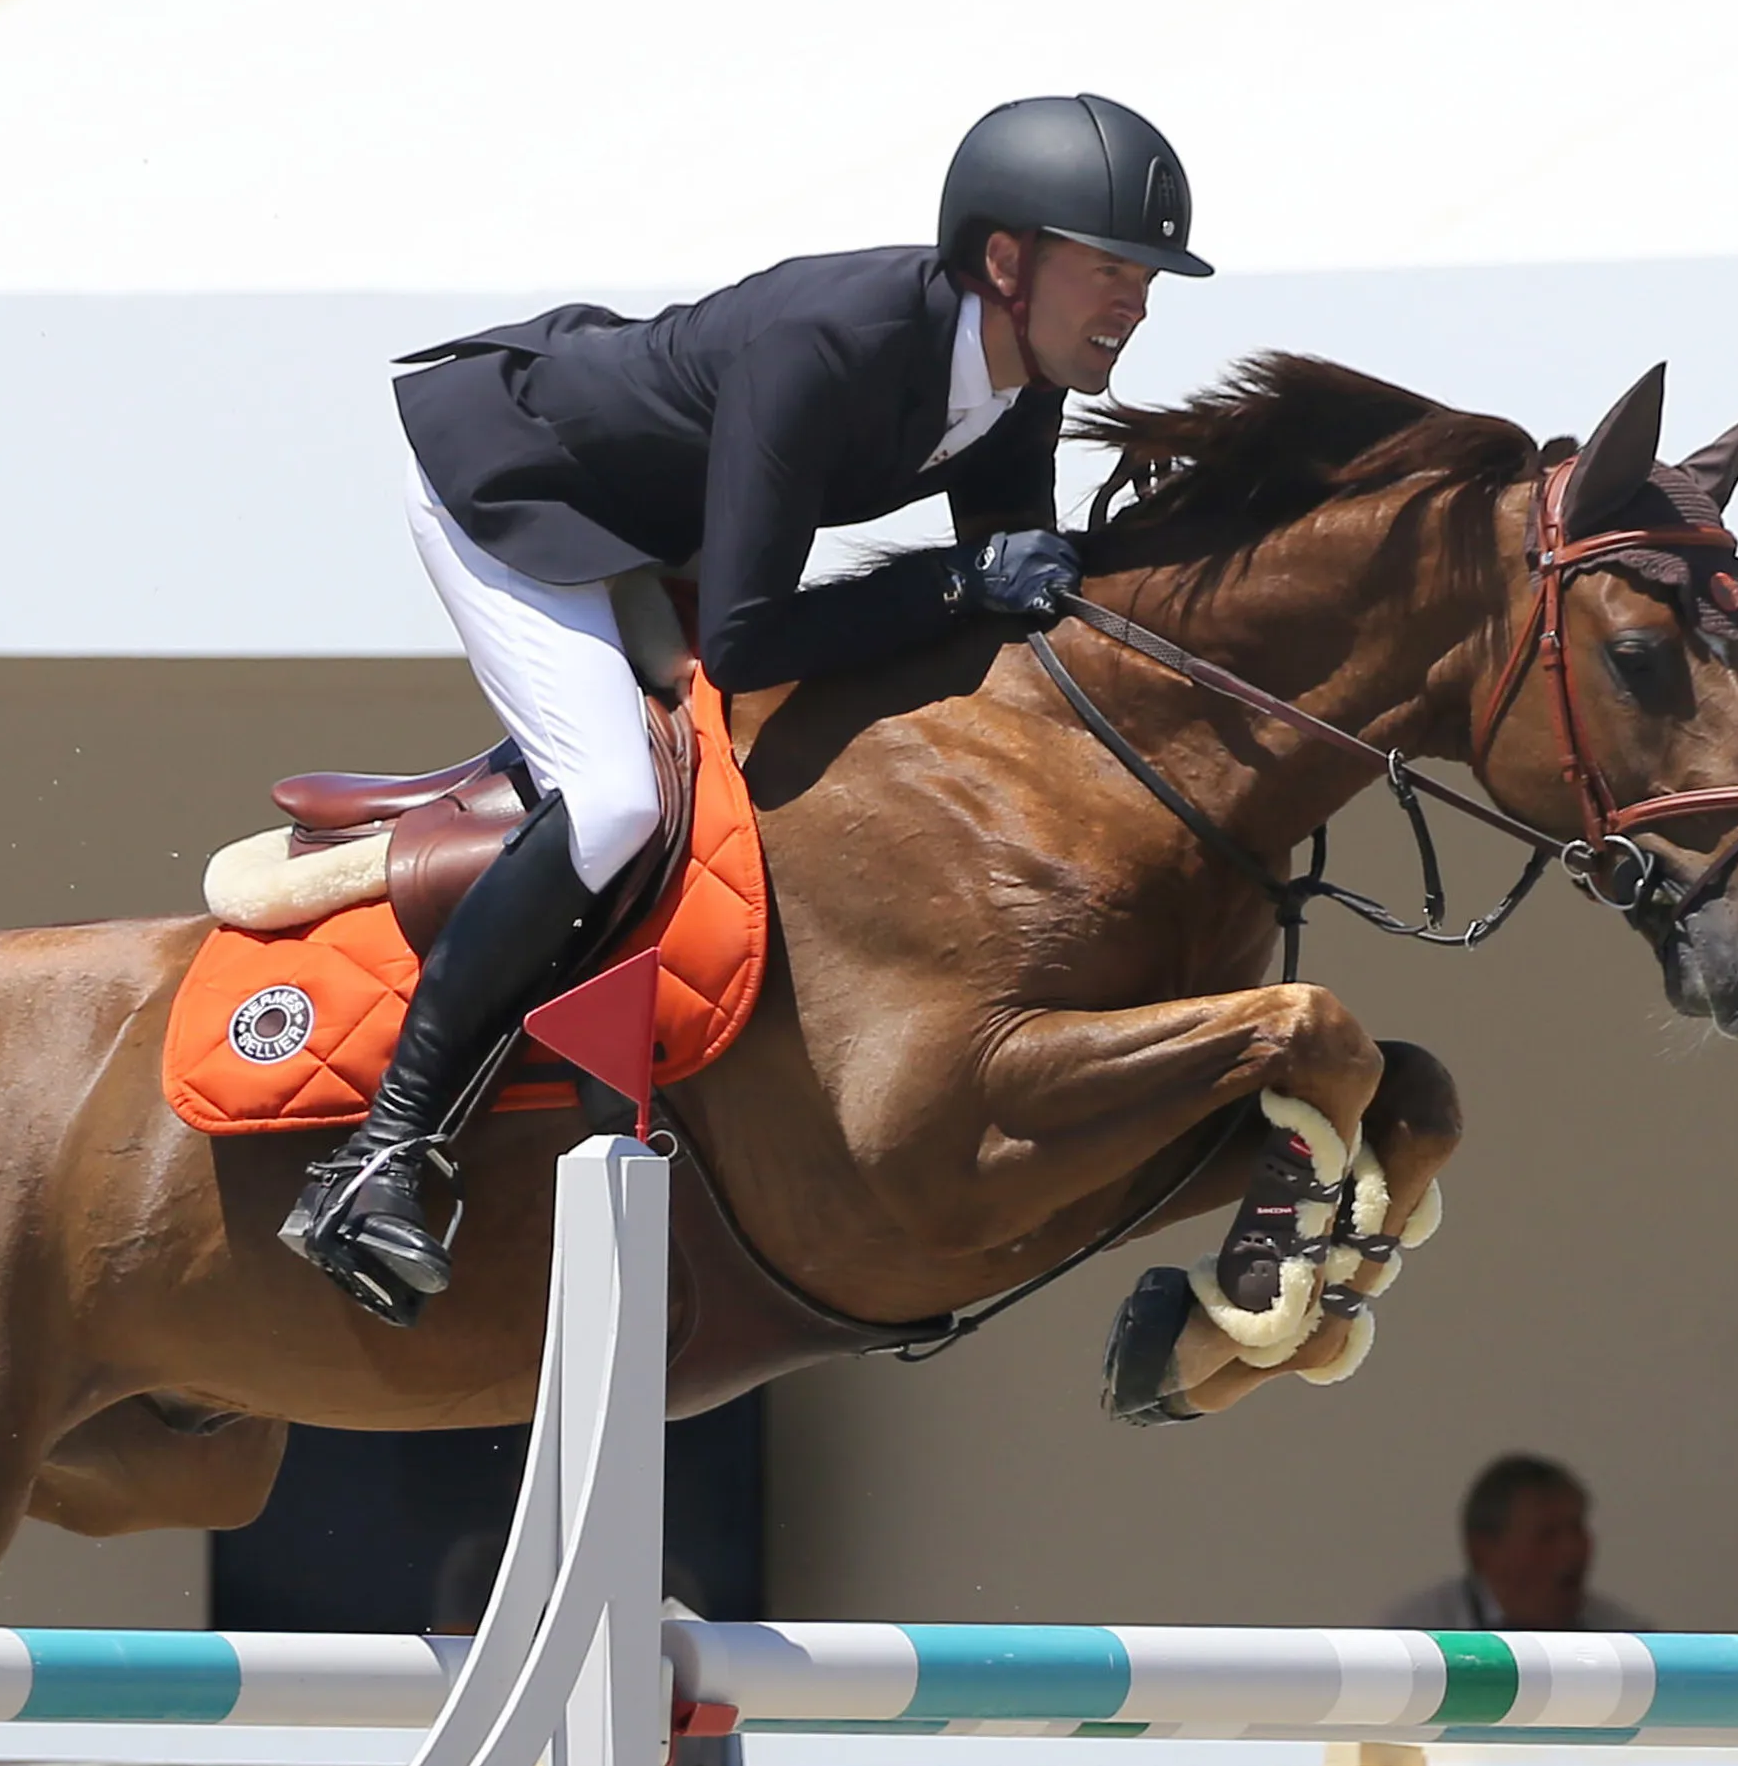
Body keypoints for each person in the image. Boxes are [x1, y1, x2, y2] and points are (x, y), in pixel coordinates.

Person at [286, 93, 1213, 1321]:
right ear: (1006, 260)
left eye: (1144, 279)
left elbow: (1010, 598)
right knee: (612, 801)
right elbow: (746, 639)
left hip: (652, 513)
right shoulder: (829, 343)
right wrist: (954, 579)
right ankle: (380, 1154)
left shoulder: (1018, 378)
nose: (1133, 304)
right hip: (514, 496)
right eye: (1110, 269)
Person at [1375, 1455, 1649, 1633]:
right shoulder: (1415, 1639)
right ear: (1483, 1549)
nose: (1572, 1550)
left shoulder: (1628, 1642)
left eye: (1576, 1529)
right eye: (1547, 1535)